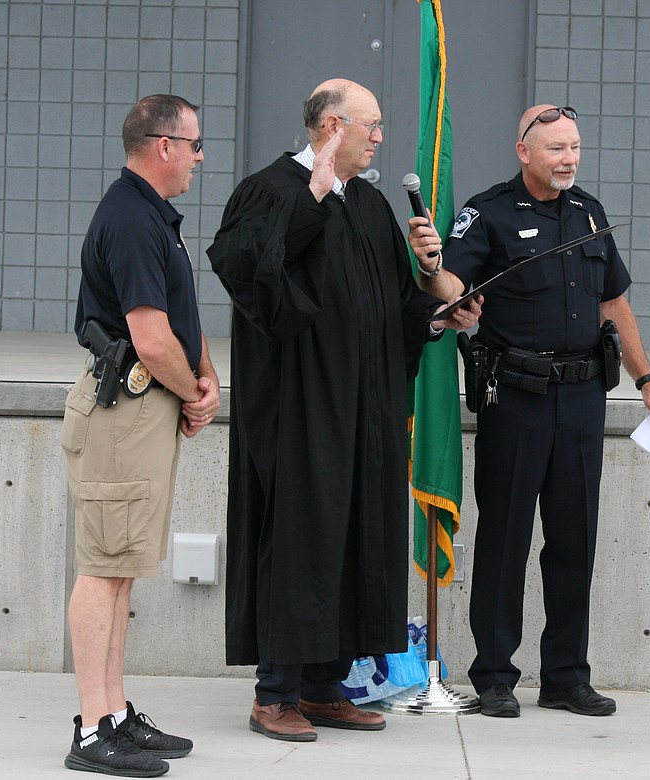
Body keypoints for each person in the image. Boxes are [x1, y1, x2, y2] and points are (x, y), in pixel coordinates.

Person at [206, 78, 480, 742]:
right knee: (300, 534)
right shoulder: (269, 191)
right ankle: (276, 691)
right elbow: (253, 277)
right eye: (371, 125)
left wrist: (440, 314)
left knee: (353, 533)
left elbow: (388, 305)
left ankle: (326, 686)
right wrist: (314, 197)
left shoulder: (368, 204)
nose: (380, 136)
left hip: (366, 410)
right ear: (332, 127)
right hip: (299, 409)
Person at [408, 104, 650, 718]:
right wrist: (432, 270)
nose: (569, 159)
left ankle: (566, 676)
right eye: (556, 148)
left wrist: (648, 378)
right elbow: (448, 284)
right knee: (505, 539)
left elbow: (614, 303)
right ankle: (496, 676)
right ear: (524, 151)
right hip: (516, 398)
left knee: (574, 539)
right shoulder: (489, 211)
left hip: (583, 396)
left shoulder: (589, 213)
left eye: (574, 147)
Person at [61, 94, 219, 777]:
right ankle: (93, 728)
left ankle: (116, 712)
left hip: (145, 412)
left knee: (121, 567)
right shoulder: (130, 218)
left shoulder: (154, 215)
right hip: (122, 412)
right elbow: (151, 339)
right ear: (163, 146)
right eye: (193, 143)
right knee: (103, 568)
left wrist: (203, 382)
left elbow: (182, 319)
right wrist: (194, 393)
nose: (199, 155)